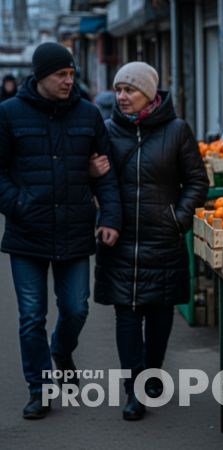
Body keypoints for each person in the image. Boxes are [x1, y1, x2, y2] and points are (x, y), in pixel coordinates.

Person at [0, 42, 121, 419]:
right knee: (31, 315)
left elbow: (106, 172)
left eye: (71, 74)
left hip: (73, 229)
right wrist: (18, 204)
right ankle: (39, 388)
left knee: (76, 308)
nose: (69, 80)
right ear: (41, 77)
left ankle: (62, 349)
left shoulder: (87, 115)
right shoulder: (8, 114)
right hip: (27, 233)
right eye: (61, 75)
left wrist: (110, 218)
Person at [90, 62, 208, 420]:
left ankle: (152, 372)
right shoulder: (107, 131)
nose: (122, 97)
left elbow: (197, 181)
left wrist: (178, 219)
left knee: (159, 313)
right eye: (119, 89)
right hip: (120, 240)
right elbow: (97, 182)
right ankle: (134, 388)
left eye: (130, 90)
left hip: (163, 238)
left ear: (150, 94)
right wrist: (90, 173)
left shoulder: (177, 131)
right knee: (126, 314)